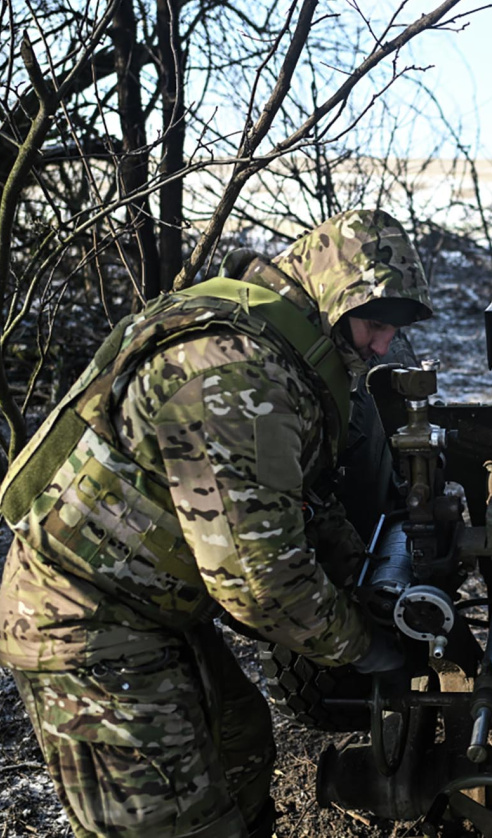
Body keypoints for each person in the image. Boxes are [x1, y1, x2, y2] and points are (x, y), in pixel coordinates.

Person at [0, 209, 431, 837]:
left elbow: (296, 504)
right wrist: (367, 648)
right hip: (83, 621)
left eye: (392, 329)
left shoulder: (274, 347)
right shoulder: (237, 376)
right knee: (178, 820)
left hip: (148, 608)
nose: (383, 346)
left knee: (240, 749)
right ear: (330, 299)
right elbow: (261, 585)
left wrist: (364, 577)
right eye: (374, 324)